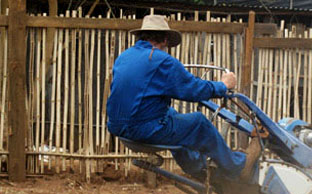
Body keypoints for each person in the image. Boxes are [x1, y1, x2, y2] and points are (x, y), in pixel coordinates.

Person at [106, 14, 260, 181]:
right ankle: (237, 166)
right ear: (165, 39)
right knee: (199, 122)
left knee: (173, 116)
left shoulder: (124, 56)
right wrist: (223, 86)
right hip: (142, 129)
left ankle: (197, 167)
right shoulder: (162, 61)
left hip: (118, 127)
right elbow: (192, 89)